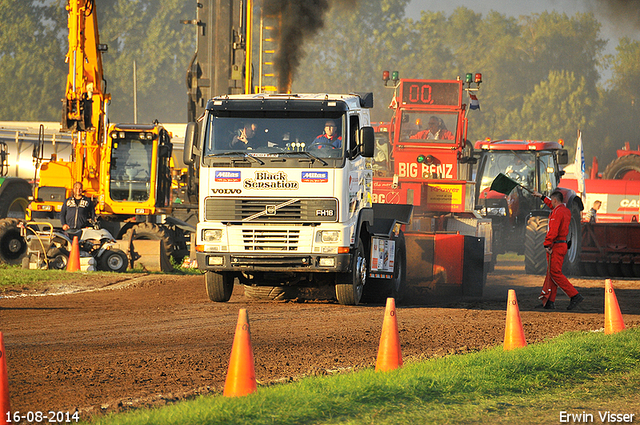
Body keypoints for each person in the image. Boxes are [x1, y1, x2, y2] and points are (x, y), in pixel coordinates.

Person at [533, 189, 584, 310]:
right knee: (552, 272)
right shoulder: (564, 211)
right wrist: (541, 196)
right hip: (561, 245)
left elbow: (553, 231)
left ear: (555, 200)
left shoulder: (557, 213)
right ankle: (549, 301)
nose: (551, 203)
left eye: (552, 201)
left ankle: (574, 295)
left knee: (555, 273)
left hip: (555, 245)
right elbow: (552, 205)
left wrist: (547, 244)